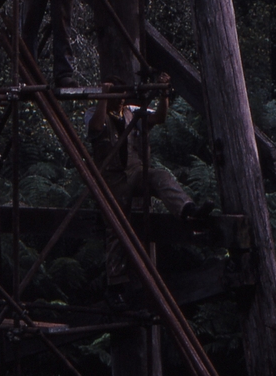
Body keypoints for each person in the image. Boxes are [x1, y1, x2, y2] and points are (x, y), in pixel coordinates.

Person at [87, 73, 213, 296]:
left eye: (123, 95)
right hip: (112, 178)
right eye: (118, 95)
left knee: (161, 177)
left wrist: (164, 93)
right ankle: (116, 284)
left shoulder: (132, 112)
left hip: (135, 171)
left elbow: (160, 118)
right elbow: (96, 128)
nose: (122, 99)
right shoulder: (96, 113)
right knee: (116, 227)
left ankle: (187, 210)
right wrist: (103, 98)